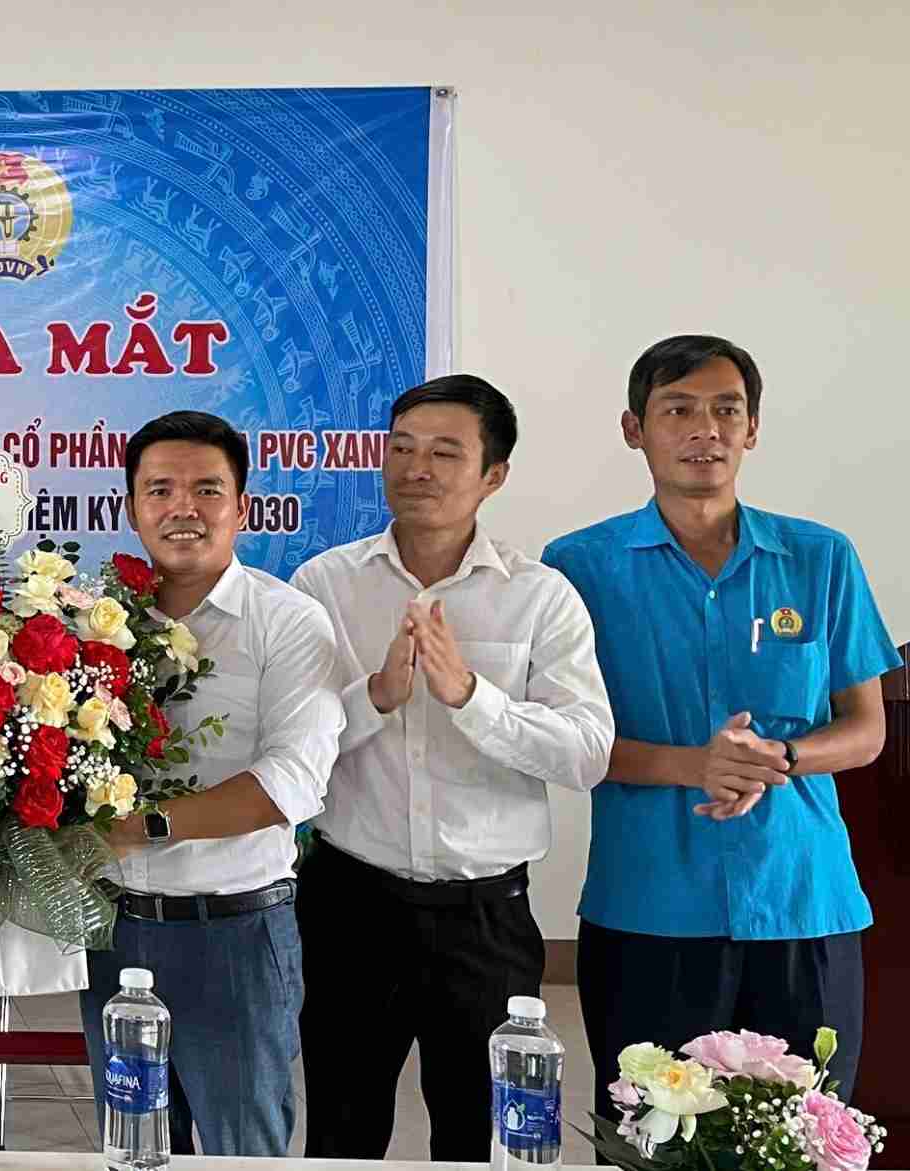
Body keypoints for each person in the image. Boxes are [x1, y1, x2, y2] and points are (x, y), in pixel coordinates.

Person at [543, 335, 897, 1114]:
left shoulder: (820, 557)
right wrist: (692, 766)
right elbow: (561, 740)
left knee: (806, 1137)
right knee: (648, 1137)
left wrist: (778, 754)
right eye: (678, 409)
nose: (706, 428)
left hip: (803, 898)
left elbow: (865, 729)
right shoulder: (578, 566)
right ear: (634, 429)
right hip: (648, 903)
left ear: (753, 428)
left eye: (726, 409)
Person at [290, 375, 614, 1160]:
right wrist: (377, 694)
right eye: (400, 448)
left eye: (444, 452)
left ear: (493, 475)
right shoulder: (324, 585)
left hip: (485, 920)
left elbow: (586, 751)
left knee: (482, 1136)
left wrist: (470, 696)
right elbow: (291, 748)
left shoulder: (540, 597)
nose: (417, 468)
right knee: (341, 1124)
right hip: (349, 904)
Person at [93, 409, 344, 1157]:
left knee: (243, 1149)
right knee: (129, 1142)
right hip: (112, 929)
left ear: (241, 506)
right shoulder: (86, 620)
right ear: (131, 507)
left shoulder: (290, 622)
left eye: (207, 489)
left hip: (234, 933)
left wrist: (148, 824)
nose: (183, 508)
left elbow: (294, 781)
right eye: (159, 489)